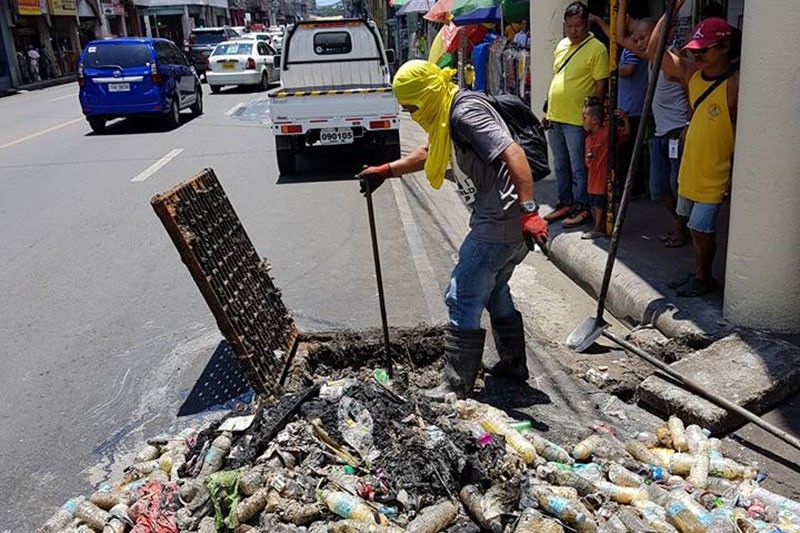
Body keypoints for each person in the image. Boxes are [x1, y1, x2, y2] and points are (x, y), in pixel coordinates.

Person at [357, 60, 549, 401]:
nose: (412, 114)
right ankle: (514, 367)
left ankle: (455, 385)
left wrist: (530, 212)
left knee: (461, 296)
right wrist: (386, 171)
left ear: (427, 94)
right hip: (501, 222)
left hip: (502, 221)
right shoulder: (446, 111)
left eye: (412, 107)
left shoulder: (465, 114)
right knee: (494, 291)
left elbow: (513, 152)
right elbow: (431, 151)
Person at [648, 2, 740, 297]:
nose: (696, 56)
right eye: (694, 51)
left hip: (717, 172)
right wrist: (671, 11)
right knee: (691, 226)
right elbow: (655, 52)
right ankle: (699, 272)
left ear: (724, 47)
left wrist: (733, 177)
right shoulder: (692, 75)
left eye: (704, 51)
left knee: (701, 228)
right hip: (691, 168)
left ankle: (704, 277)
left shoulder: (737, 85)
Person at [617, 0, 690, 248]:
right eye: (636, 39)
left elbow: (691, 92)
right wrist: (622, 5)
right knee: (658, 188)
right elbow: (620, 36)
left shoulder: (672, 58)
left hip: (677, 133)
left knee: (676, 185)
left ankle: (682, 229)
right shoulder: (649, 58)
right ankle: (683, 225)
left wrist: (673, 9)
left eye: (642, 38)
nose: (637, 43)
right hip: (660, 134)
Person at [543, 2, 608, 227]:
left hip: (577, 121)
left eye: (578, 25)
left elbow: (601, 86)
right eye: (569, 26)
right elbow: (556, 77)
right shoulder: (561, 45)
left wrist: (593, 121)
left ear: (586, 23)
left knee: (579, 166)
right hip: (555, 116)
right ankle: (565, 203)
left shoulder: (597, 48)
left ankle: (583, 207)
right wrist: (547, 109)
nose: (573, 31)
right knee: (560, 165)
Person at [581, 98, 631, 240]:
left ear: (595, 119)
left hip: (604, 177)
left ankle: (598, 228)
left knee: (601, 203)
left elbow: (626, 134)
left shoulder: (607, 132)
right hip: (593, 177)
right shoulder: (589, 138)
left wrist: (625, 119)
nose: (583, 121)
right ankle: (600, 225)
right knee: (595, 203)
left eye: (585, 118)